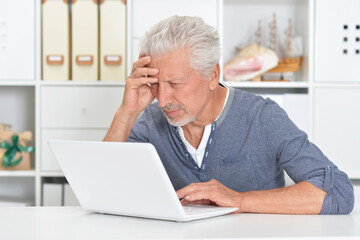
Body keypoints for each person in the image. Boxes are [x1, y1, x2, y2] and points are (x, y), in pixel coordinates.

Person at [104, 15, 354, 214]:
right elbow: (105, 190)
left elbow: (338, 193)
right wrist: (126, 113)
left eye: (175, 83)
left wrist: (239, 200)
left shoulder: (261, 117)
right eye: (156, 84)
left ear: (212, 76)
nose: (163, 99)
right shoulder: (149, 122)